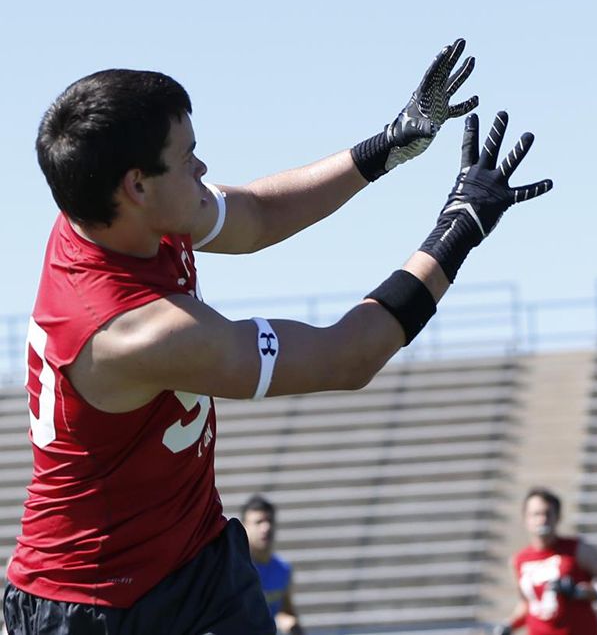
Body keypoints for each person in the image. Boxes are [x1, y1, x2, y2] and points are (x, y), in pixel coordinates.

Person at [4, 36, 553, 634]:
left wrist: (389, 145)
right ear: (137, 186)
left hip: (196, 559)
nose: (203, 168)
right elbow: (348, 357)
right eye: (188, 155)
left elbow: (258, 215)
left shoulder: (115, 214)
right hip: (94, 605)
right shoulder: (138, 332)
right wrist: (460, 229)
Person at [494, 487, 597, 635]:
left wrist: (579, 592)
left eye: (547, 514)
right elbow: (528, 604)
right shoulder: (519, 560)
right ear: (525, 518)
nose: (542, 519)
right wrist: (509, 625)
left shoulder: (578, 549)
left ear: (558, 517)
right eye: (536, 514)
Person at [240, 495, 303, 635]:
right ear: (243, 527)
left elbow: (284, 610)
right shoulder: (231, 569)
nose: (266, 527)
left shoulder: (282, 569)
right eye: (258, 522)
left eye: (269, 521)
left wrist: (290, 623)